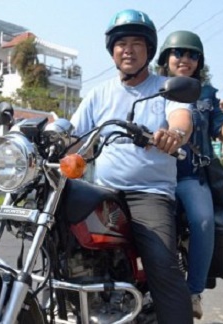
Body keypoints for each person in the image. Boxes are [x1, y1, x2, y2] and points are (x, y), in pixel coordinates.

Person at [70, 9, 194, 324]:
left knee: (162, 263)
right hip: (102, 191)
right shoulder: (98, 95)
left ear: (149, 50)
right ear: (112, 51)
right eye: (121, 43)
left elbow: (182, 119)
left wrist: (173, 134)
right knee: (56, 232)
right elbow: (73, 137)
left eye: (137, 43)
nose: (128, 49)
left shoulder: (166, 87)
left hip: (148, 193)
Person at [157, 30, 223, 319]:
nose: (185, 59)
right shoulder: (152, 88)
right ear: (166, 57)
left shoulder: (207, 94)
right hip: (155, 177)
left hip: (190, 176)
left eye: (193, 55)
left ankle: (194, 292)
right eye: (179, 52)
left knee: (203, 221)